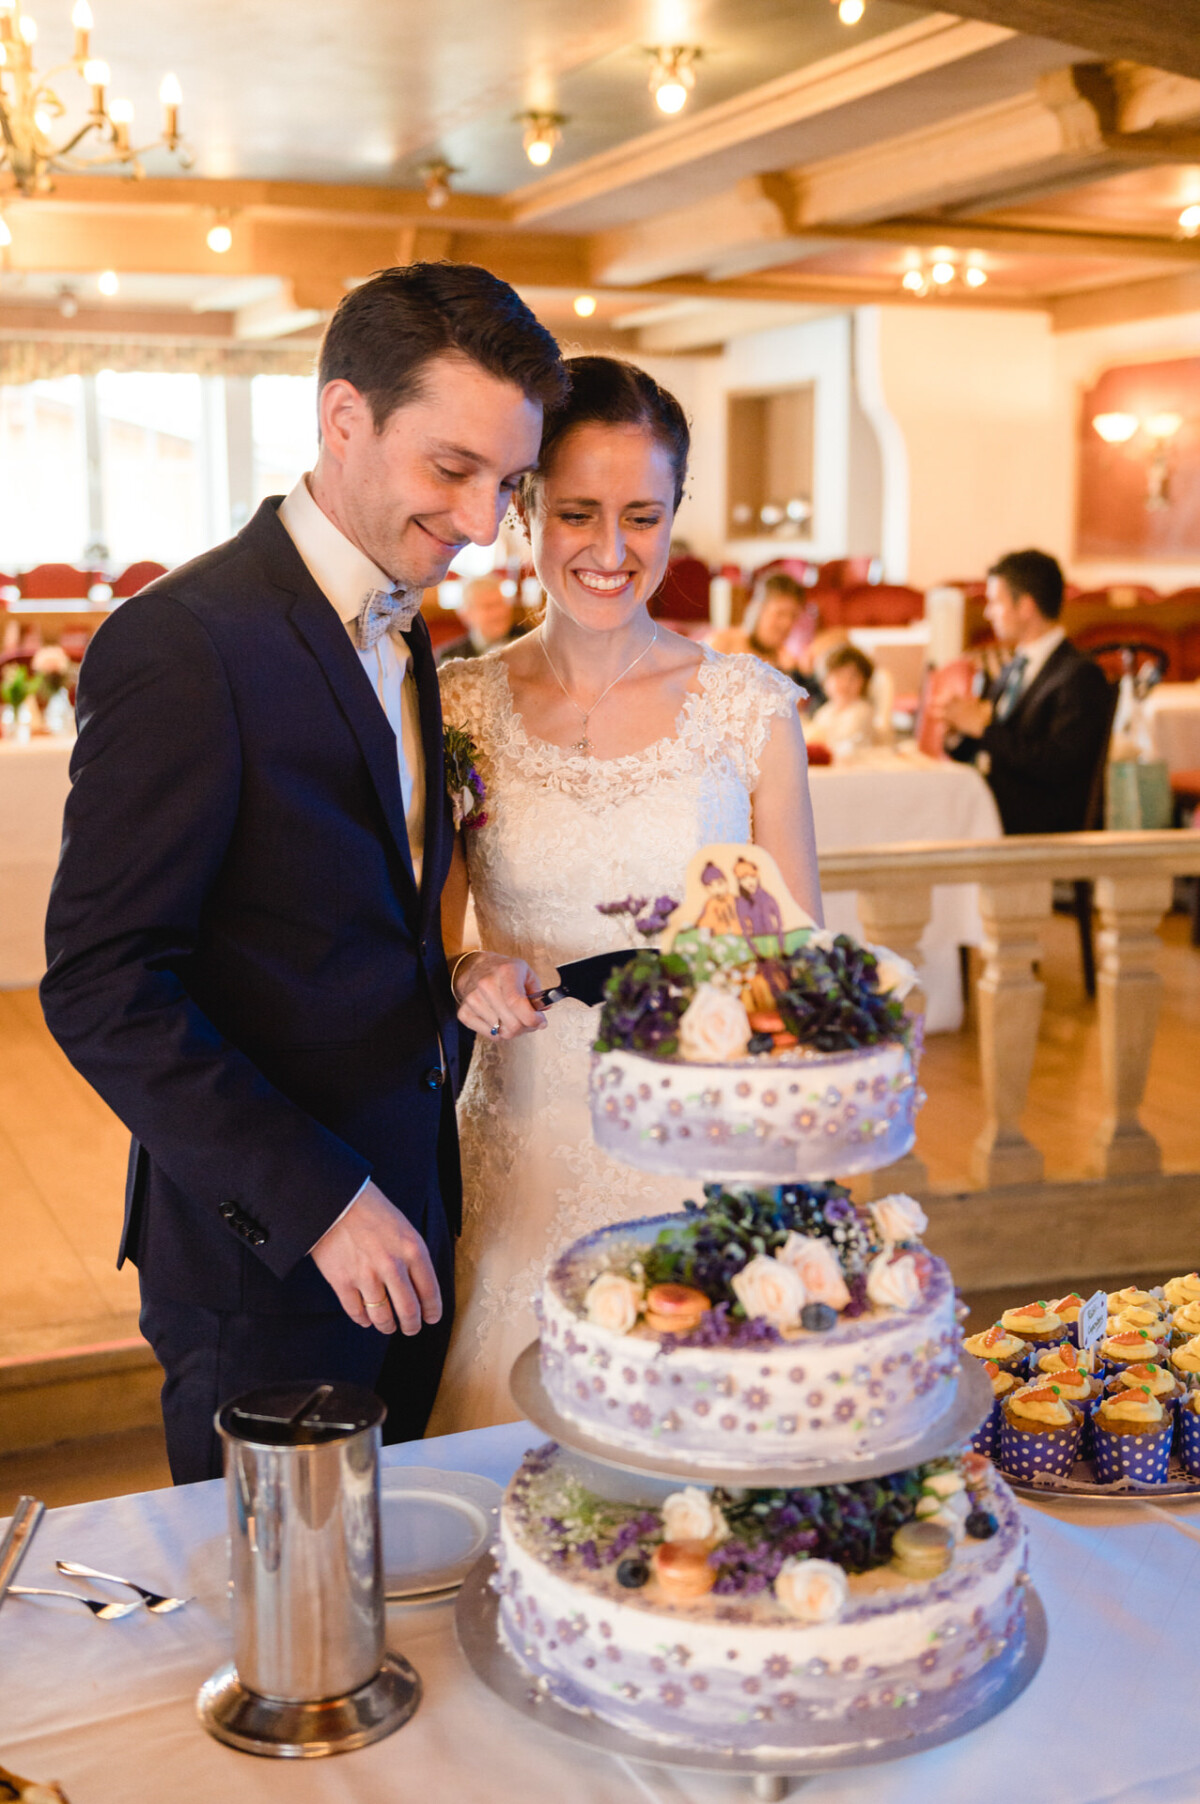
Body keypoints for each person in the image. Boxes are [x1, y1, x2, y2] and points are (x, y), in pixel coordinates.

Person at [39, 263, 566, 1483]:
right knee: (281, 1636)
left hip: (424, 1215)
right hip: (265, 1254)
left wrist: (453, 971)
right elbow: (105, 986)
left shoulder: (406, 620)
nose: (487, 525)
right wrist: (323, 1200)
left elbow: (354, 913)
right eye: (453, 470)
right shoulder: (183, 644)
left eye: (509, 483)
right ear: (343, 420)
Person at [427, 354, 823, 1434]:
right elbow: (425, 939)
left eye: (642, 516)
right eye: (578, 514)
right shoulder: (459, 705)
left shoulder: (749, 710)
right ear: (524, 509)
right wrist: (468, 970)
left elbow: (794, 976)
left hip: (699, 1155)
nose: (611, 552)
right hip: (524, 1146)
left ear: (675, 515)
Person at [941, 548, 1110, 833]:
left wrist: (983, 730)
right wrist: (959, 729)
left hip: (1039, 819)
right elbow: (992, 740)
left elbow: (1059, 764)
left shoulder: (1079, 674)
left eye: (995, 602)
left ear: (1026, 607)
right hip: (997, 805)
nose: (987, 612)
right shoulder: (1016, 664)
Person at [711, 572, 808, 680]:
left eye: (793, 616)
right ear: (758, 609)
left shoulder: (786, 666)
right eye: (780, 613)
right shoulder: (724, 643)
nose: (787, 623)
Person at [806, 643, 878, 758]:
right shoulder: (825, 712)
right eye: (838, 676)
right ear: (825, 680)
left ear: (864, 682)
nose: (845, 684)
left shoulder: (862, 711)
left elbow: (849, 747)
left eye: (853, 677)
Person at [436, 573, 526, 664]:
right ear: (466, 615)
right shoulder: (450, 658)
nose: (498, 613)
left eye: (500, 604)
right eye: (488, 607)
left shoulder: (530, 641)